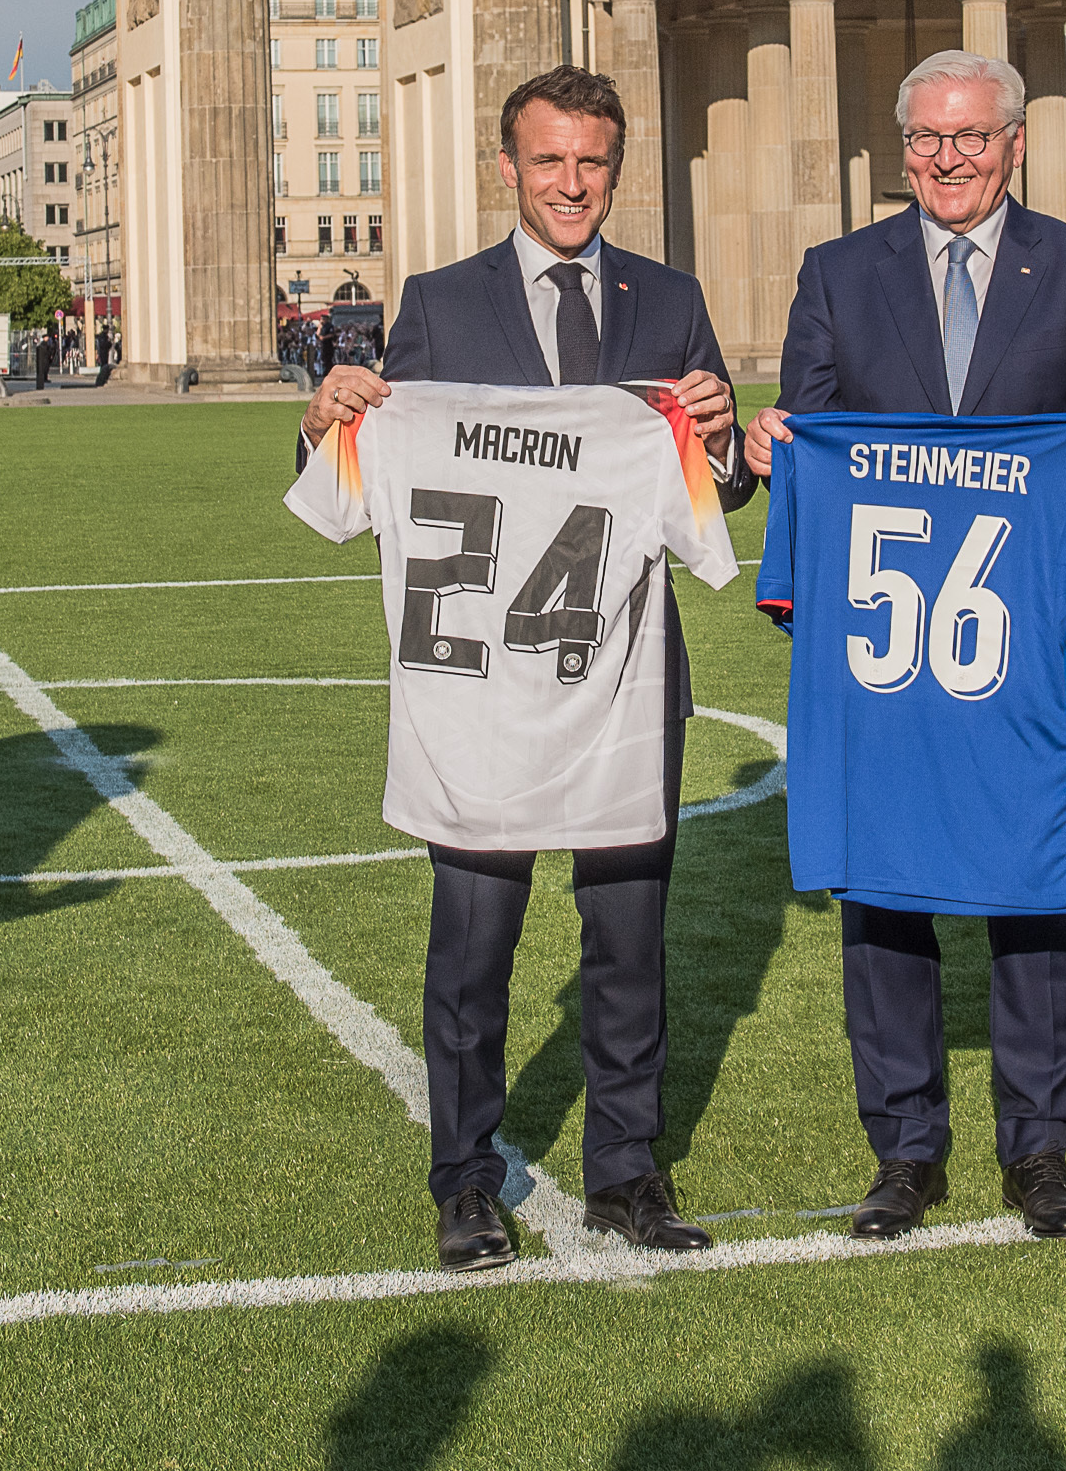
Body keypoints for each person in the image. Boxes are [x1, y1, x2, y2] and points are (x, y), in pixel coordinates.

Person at [300, 65, 751, 1272]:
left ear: (617, 165)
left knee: (628, 949)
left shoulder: (669, 298)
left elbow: (727, 486)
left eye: (592, 162)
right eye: (548, 160)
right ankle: (465, 1177)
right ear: (511, 166)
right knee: (474, 949)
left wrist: (723, 434)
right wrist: (324, 412)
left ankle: (628, 1172)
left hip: (624, 682)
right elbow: (372, 451)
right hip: (484, 695)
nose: (571, 183)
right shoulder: (441, 302)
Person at [760, 47, 1066, 1243]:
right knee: (884, 889)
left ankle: (1040, 1148)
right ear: (902, 147)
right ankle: (905, 1149)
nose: (948, 158)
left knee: (1037, 887)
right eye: (927, 139)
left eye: (971, 137)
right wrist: (785, 442)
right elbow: (815, 434)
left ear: (1015, 142)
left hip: (1027, 637)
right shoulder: (836, 273)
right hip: (885, 652)